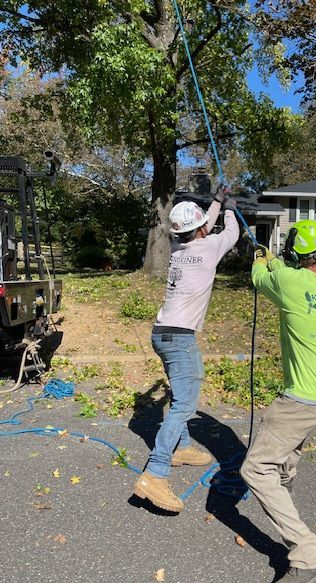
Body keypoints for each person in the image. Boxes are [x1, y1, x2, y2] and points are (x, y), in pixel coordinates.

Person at [240, 220, 316, 583]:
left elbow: (259, 276)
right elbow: (285, 272)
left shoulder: (287, 282)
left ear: (294, 252)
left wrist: (259, 257)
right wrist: (276, 263)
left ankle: (308, 557)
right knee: (284, 447)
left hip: (303, 397)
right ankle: (284, 479)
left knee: (253, 469)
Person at [134, 188, 240, 513]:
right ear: (200, 228)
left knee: (184, 393)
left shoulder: (179, 249)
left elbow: (203, 225)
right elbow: (231, 233)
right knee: (184, 404)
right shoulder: (209, 246)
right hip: (180, 337)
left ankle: (182, 448)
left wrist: (219, 202)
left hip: (161, 333)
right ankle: (155, 472)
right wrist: (231, 208)